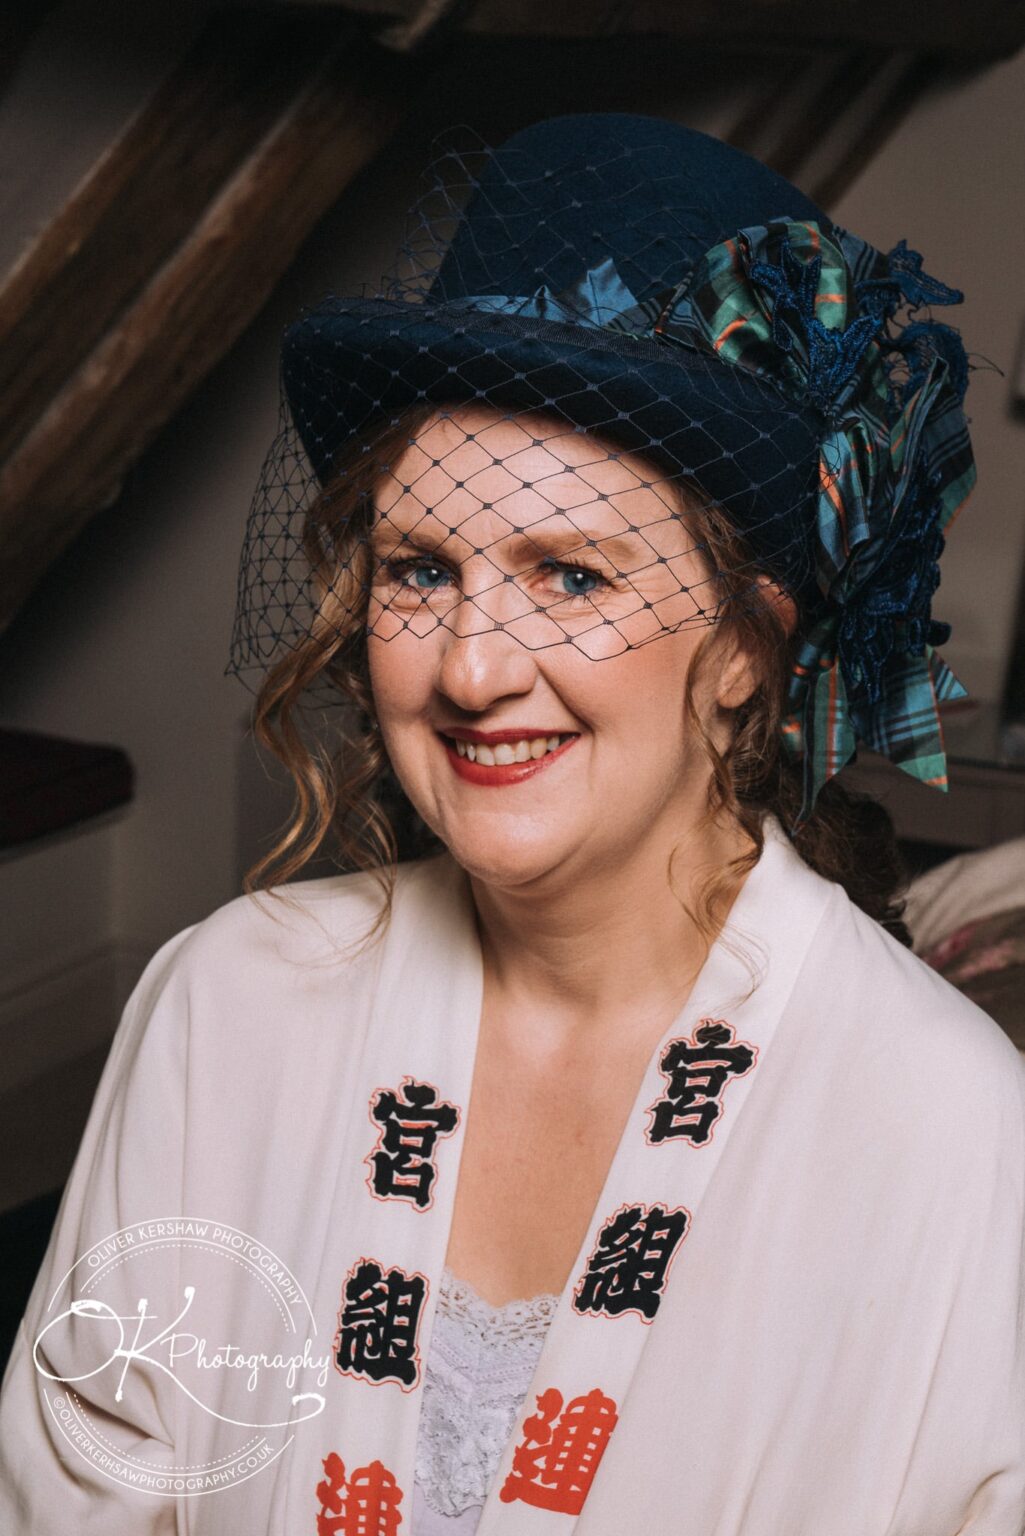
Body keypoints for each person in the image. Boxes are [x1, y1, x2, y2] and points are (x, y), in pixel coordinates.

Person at [1, 114, 1022, 1536]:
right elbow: (83, 1491)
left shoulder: (944, 1129)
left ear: (745, 645)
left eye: (571, 577)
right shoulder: (223, 1007)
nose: (471, 669)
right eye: (419, 568)